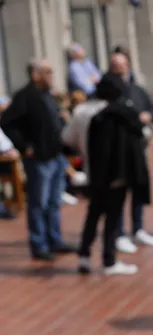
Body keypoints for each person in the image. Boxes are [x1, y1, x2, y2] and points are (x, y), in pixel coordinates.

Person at [1, 59, 76, 261]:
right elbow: (7, 122)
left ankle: (55, 239)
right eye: (47, 72)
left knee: (53, 202)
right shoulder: (25, 96)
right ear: (36, 74)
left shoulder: (47, 95)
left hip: (56, 156)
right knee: (38, 203)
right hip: (39, 159)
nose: (51, 75)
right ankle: (39, 244)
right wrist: (25, 147)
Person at [76, 73, 145, 277]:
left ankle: (84, 255)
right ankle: (109, 259)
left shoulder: (94, 116)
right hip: (117, 176)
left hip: (97, 177)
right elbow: (135, 142)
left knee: (93, 214)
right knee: (112, 219)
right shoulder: (123, 115)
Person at [107, 52, 153, 255]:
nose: (119, 69)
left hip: (138, 148)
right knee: (120, 192)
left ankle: (138, 228)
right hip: (118, 150)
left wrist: (149, 115)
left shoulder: (137, 90)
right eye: (115, 65)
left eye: (122, 65)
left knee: (138, 188)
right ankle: (119, 233)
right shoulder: (108, 92)